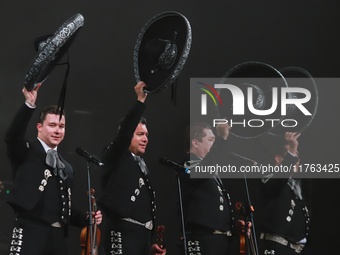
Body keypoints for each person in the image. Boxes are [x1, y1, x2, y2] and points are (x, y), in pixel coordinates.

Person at [4, 83, 103, 255]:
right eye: (52, 125)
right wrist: (29, 105)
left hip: (57, 237)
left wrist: (87, 218)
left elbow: (64, 210)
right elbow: (12, 135)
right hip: (30, 232)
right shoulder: (26, 151)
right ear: (39, 127)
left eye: (61, 126)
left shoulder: (67, 168)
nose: (57, 130)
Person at [98, 81, 166, 255]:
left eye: (146, 135)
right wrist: (140, 101)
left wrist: (150, 243)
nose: (145, 139)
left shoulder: (140, 165)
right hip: (122, 233)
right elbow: (123, 134)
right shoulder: (116, 155)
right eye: (140, 134)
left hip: (141, 238)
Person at [178, 122, 248, 255]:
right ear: (195, 143)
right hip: (203, 241)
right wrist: (221, 138)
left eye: (215, 140)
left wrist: (232, 227)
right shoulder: (187, 163)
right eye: (211, 140)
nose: (214, 144)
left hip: (219, 242)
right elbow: (205, 168)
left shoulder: (210, 171)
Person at [257, 132, 311, 255]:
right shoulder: (269, 179)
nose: (296, 160)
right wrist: (292, 151)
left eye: (297, 155)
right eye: (291, 154)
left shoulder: (295, 186)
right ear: (279, 159)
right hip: (275, 248)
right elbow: (279, 180)